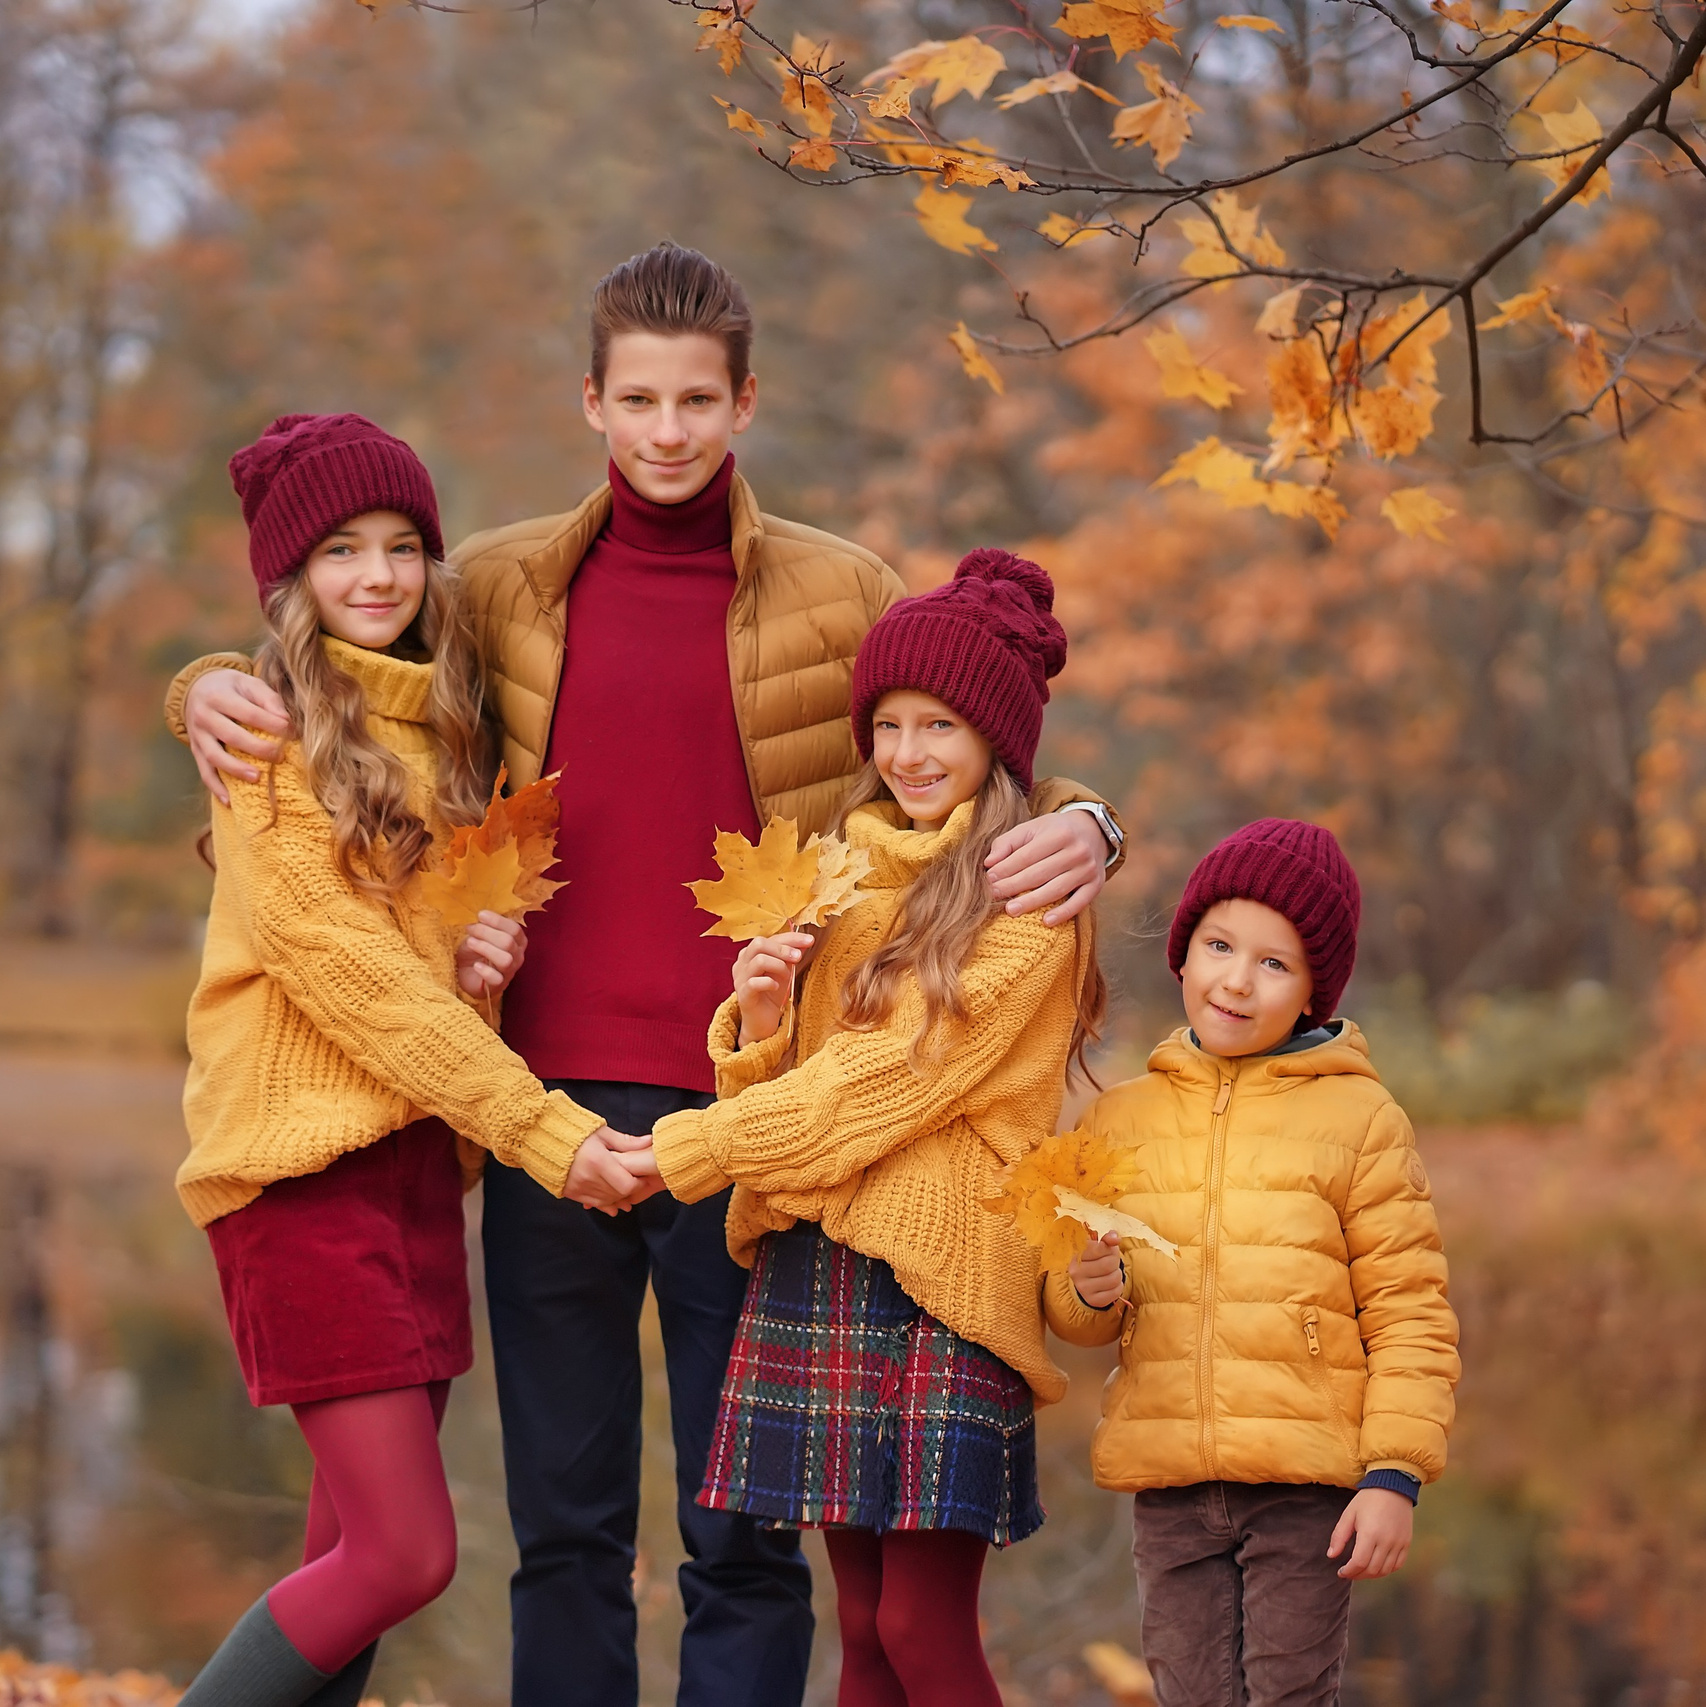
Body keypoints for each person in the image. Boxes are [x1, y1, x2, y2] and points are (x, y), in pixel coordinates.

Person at [164, 244, 1123, 1707]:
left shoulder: (838, 587)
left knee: (741, 1539)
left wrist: (1086, 818)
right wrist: (200, 687)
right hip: (538, 1105)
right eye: (636, 399)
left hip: (754, 1121)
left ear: (745, 402)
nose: (665, 430)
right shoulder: (488, 586)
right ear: (591, 404)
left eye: (695, 399)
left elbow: (964, 721)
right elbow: (334, 681)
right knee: (562, 1524)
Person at [175, 413, 616, 1707]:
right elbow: (347, 981)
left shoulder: (452, 743)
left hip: (415, 1181)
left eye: (403, 544)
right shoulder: (267, 741)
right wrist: (543, 1128)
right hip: (301, 1183)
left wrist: (476, 984)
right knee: (403, 1552)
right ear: (289, 579)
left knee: (340, 1554)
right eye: (339, 551)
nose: (376, 574)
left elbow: (419, 1002)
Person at [638, 548, 1106, 1707]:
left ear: (994, 739)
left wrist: (670, 1156)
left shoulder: (1029, 899)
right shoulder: (834, 875)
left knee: (920, 1620)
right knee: (860, 1628)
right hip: (815, 1262)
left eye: (938, 725)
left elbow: (884, 1081)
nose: (906, 753)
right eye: (887, 723)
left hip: (945, 1279)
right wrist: (752, 1021)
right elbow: (793, 1098)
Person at [1046, 819, 1461, 1707]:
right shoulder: (1120, 1118)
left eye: (1275, 963)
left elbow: (1410, 1312)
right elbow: (1081, 1317)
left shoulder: (1360, 1120)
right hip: (1169, 1484)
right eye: (1219, 945)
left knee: (1287, 1695)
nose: (1237, 978)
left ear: (1314, 989)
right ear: (1182, 954)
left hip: (1306, 1486)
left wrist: (1394, 1474)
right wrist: (1088, 1288)